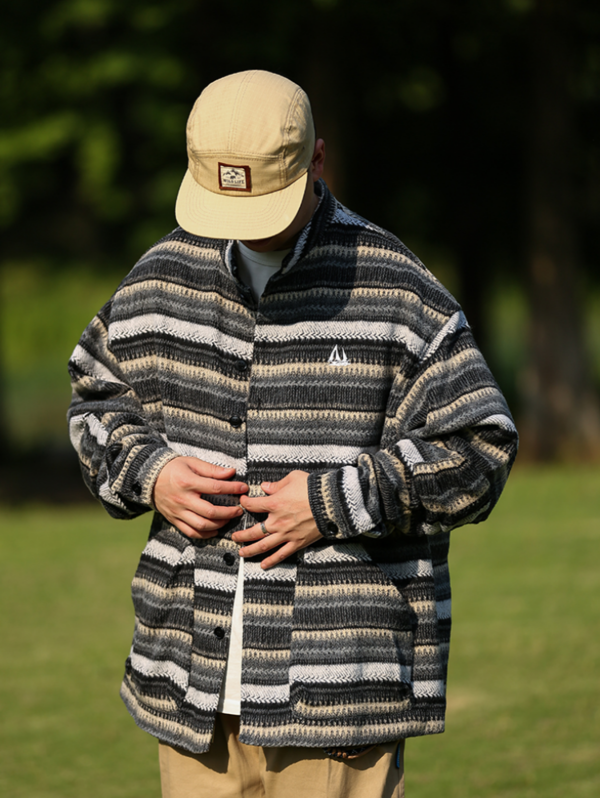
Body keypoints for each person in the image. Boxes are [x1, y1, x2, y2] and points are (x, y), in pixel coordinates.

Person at [68, 70, 518, 798]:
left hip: (340, 701)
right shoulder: (159, 277)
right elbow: (95, 402)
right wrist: (153, 474)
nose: (244, 224)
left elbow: (479, 450)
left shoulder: (396, 287)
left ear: (318, 160)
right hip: (189, 690)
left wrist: (335, 501)